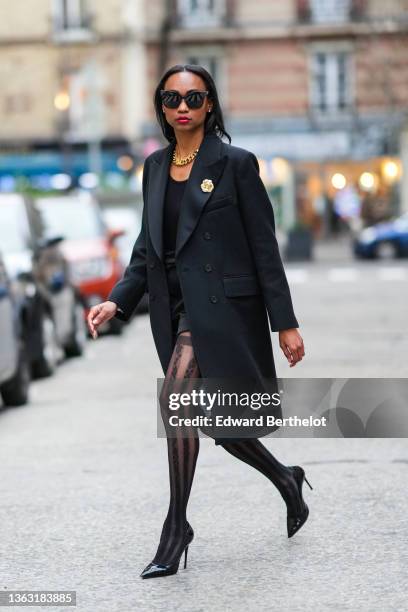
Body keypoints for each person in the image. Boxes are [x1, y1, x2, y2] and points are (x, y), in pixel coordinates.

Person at [87, 64, 311, 579]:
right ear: (161, 108)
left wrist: (286, 323)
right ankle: (286, 479)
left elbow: (263, 248)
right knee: (220, 424)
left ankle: (176, 527)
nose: (182, 105)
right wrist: (118, 301)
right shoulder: (154, 167)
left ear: (210, 104)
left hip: (223, 311)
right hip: (175, 309)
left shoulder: (236, 164)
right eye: (171, 98)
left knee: (177, 398)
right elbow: (147, 249)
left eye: (193, 96)